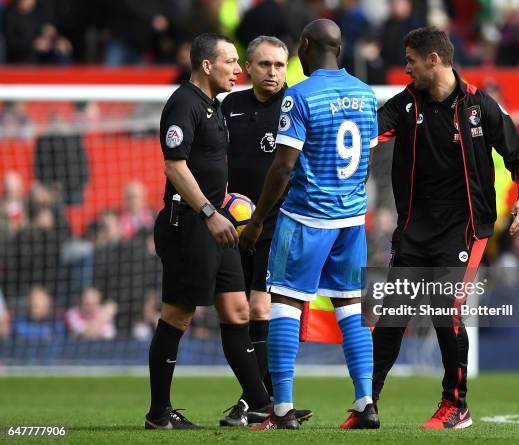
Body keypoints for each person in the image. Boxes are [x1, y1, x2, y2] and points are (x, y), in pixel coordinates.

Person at [373, 26, 519, 429]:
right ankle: (367, 400)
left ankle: (456, 404)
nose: (406, 68)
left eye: (411, 60)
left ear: (434, 60)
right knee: (392, 314)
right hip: (414, 227)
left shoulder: (480, 106)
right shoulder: (404, 105)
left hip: (465, 228)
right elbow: (368, 131)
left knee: (443, 308)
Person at [241, 19, 380, 430]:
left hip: (305, 217)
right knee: (351, 307)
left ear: (305, 46)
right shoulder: (365, 94)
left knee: (284, 303)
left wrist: (257, 221)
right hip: (352, 219)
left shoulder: (299, 97)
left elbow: (282, 167)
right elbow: (366, 160)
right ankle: (366, 402)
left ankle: (281, 407)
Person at [145, 32, 270, 429]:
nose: (238, 69)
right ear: (206, 65)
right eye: (231, 61)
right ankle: (159, 414)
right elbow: (174, 167)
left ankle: (263, 406)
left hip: (218, 224)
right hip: (191, 223)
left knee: (238, 311)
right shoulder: (184, 103)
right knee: (178, 316)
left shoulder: (213, 107)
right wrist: (209, 212)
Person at [220, 35, 311, 426]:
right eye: (264, 65)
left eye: (278, 65)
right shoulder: (230, 106)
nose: (272, 72)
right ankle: (262, 400)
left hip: (281, 225)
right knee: (236, 313)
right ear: (249, 68)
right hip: (232, 225)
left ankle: (253, 402)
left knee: (263, 309)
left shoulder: (296, 105)